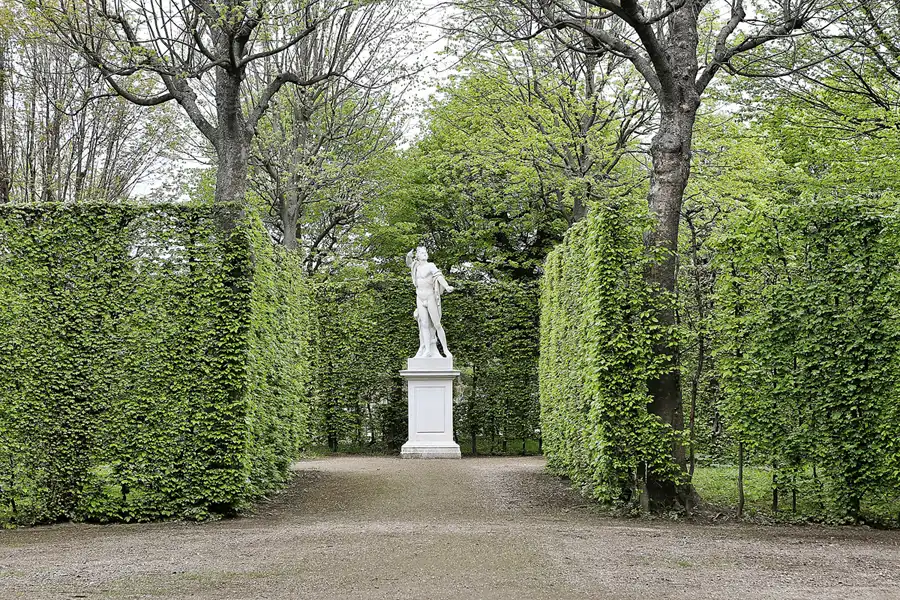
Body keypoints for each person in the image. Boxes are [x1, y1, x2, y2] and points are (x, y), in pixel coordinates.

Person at [405, 246, 454, 358]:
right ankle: (427, 350)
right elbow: (409, 263)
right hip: (420, 297)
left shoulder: (430, 265)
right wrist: (408, 256)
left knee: (437, 324)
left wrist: (446, 286)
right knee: (424, 324)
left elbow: (439, 276)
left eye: (425, 252)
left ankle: (445, 350)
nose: (424, 254)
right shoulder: (416, 266)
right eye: (422, 253)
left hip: (430, 296)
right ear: (417, 256)